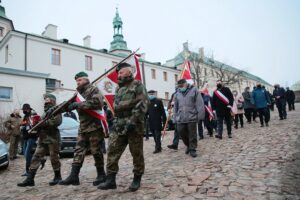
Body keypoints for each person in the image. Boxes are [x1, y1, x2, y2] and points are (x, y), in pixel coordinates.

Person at [98, 63, 149, 192]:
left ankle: (137, 178)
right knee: (112, 151)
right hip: (119, 126)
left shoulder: (137, 85)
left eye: (121, 72)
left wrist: (133, 121)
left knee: (136, 153)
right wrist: (115, 121)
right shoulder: (119, 88)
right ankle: (110, 180)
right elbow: (116, 107)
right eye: (118, 73)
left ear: (129, 72)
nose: (119, 75)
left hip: (134, 125)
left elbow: (142, 104)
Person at [59, 71, 106, 186]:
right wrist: (56, 110)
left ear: (86, 79)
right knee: (78, 150)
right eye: (76, 81)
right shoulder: (78, 93)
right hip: (83, 127)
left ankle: (101, 175)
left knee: (96, 152)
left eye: (79, 80)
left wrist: (78, 105)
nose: (78, 82)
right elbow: (67, 104)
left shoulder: (93, 90)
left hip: (94, 126)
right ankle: (74, 176)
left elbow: (98, 103)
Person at [17, 94, 63, 187]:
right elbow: (41, 124)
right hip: (42, 138)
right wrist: (36, 125)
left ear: (52, 100)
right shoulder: (45, 112)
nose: (45, 101)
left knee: (54, 158)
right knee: (36, 157)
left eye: (47, 99)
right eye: (44, 99)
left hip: (52, 138)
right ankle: (30, 179)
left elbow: (56, 122)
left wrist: (42, 123)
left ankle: (58, 177)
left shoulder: (56, 110)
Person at [174, 79, 205, 157]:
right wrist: (175, 117)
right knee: (181, 132)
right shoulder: (177, 93)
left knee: (192, 134)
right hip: (181, 117)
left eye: (182, 86)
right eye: (179, 86)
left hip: (192, 116)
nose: (181, 88)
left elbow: (199, 103)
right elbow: (175, 106)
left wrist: (200, 115)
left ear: (186, 84)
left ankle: (192, 149)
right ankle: (188, 145)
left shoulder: (194, 90)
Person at [20, 104, 40, 176]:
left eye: (24, 110)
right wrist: (22, 125)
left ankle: (29, 171)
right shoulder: (26, 116)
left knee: (28, 155)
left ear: (27, 109)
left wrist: (25, 125)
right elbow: (24, 124)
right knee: (26, 155)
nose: (23, 111)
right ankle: (29, 169)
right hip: (25, 137)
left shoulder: (33, 114)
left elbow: (35, 124)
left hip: (31, 137)